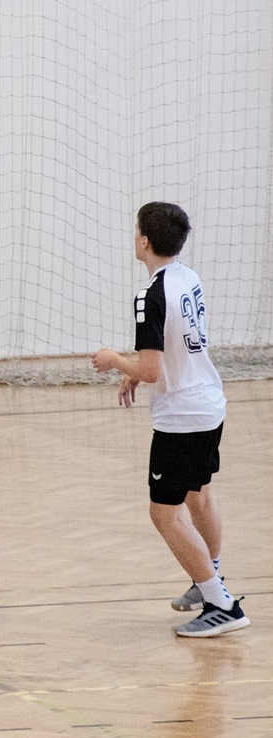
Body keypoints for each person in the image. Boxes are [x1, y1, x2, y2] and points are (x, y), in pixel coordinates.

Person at [91, 202, 246, 637]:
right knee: (199, 496)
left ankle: (221, 605)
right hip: (208, 404)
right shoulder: (187, 277)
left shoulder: (150, 294)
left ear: (144, 240)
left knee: (164, 513)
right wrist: (138, 369)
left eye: (135, 230)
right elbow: (173, 347)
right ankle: (209, 578)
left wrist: (116, 361)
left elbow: (152, 369)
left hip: (182, 418)